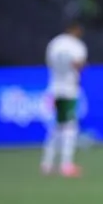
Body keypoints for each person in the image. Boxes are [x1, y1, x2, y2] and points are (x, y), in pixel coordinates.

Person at [41, 22, 87, 177]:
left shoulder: (54, 43)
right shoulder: (77, 46)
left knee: (57, 125)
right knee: (70, 127)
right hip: (68, 89)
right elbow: (77, 65)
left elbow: (49, 63)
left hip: (54, 87)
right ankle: (66, 164)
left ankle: (47, 163)